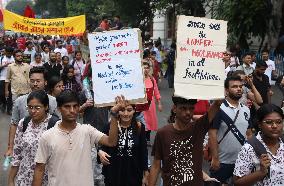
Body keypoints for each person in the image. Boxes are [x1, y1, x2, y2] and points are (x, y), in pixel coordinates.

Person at [32, 91, 123, 186]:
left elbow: (111, 142)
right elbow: (39, 169)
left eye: (75, 106)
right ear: (59, 109)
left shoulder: (87, 131)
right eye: (67, 107)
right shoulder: (47, 136)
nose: (72, 110)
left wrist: (114, 115)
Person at [148, 96, 222, 186]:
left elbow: (217, 104)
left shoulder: (198, 127)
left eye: (191, 109)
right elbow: (156, 165)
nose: (188, 112)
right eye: (183, 108)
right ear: (174, 109)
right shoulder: (163, 133)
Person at [4, 67, 58, 157]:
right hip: (24, 148)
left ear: (45, 82)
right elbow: (14, 124)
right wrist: (10, 148)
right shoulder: (19, 101)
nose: (35, 84)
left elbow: (58, 125)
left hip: (47, 149)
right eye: (32, 81)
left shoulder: (53, 101)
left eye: (38, 81)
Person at [209, 76, 253, 185]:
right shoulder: (218, 108)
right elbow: (212, 134)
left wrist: (251, 156)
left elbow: (249, 134)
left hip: (242, 161)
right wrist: (215, 158)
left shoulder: (246, 109)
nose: (239, 89)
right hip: (222, 161)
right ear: (226, 90)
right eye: (234, 86)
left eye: (240, 86)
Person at [8, 90, 56, 186]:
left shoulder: (54, 125)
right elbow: (17, 154)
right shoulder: (24, 123)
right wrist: (11, 180)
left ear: (46, 107)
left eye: (37, 108)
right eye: (30, 107)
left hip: (46, 180)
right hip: (23, 179)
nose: (33, 111)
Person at [98, 103, 148, 186]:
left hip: (134, 174)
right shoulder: (110, 126)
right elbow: (101, 146)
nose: (126, 114)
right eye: (122, 110)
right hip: (113, 175)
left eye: (129, 110)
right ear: (117, 112)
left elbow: (143, 151)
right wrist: (100, 152)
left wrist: (146, 172)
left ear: (134, 111)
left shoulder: (139, 127)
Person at [233, 104, 284, 185]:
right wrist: (261, 172)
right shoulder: (249, 148)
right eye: (269, 122)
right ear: (259, 124)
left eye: (279, 122)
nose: (274, 126)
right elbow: (237, 182)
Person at [142, 62, 162, 145]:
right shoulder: (138, 80)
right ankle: (142, 139)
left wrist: (159, 103)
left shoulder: (152, 79)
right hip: (141, 105)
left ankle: (147, 139)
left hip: (151, 105)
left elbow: (156, 91)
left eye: (147, 68)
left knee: (149, 122)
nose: (146, 69)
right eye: (144, 68)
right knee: (142, 122)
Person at [0, 47, 14, 114]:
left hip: (11, 79)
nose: (9, 54)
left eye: (10, 53)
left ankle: (9, 109)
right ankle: (3, 103)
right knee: (2, 94)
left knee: (10, 95)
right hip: (2, 77)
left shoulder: (13, 58)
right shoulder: (1, 58)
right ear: (5, 52)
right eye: (8, 53)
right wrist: (5, 65)